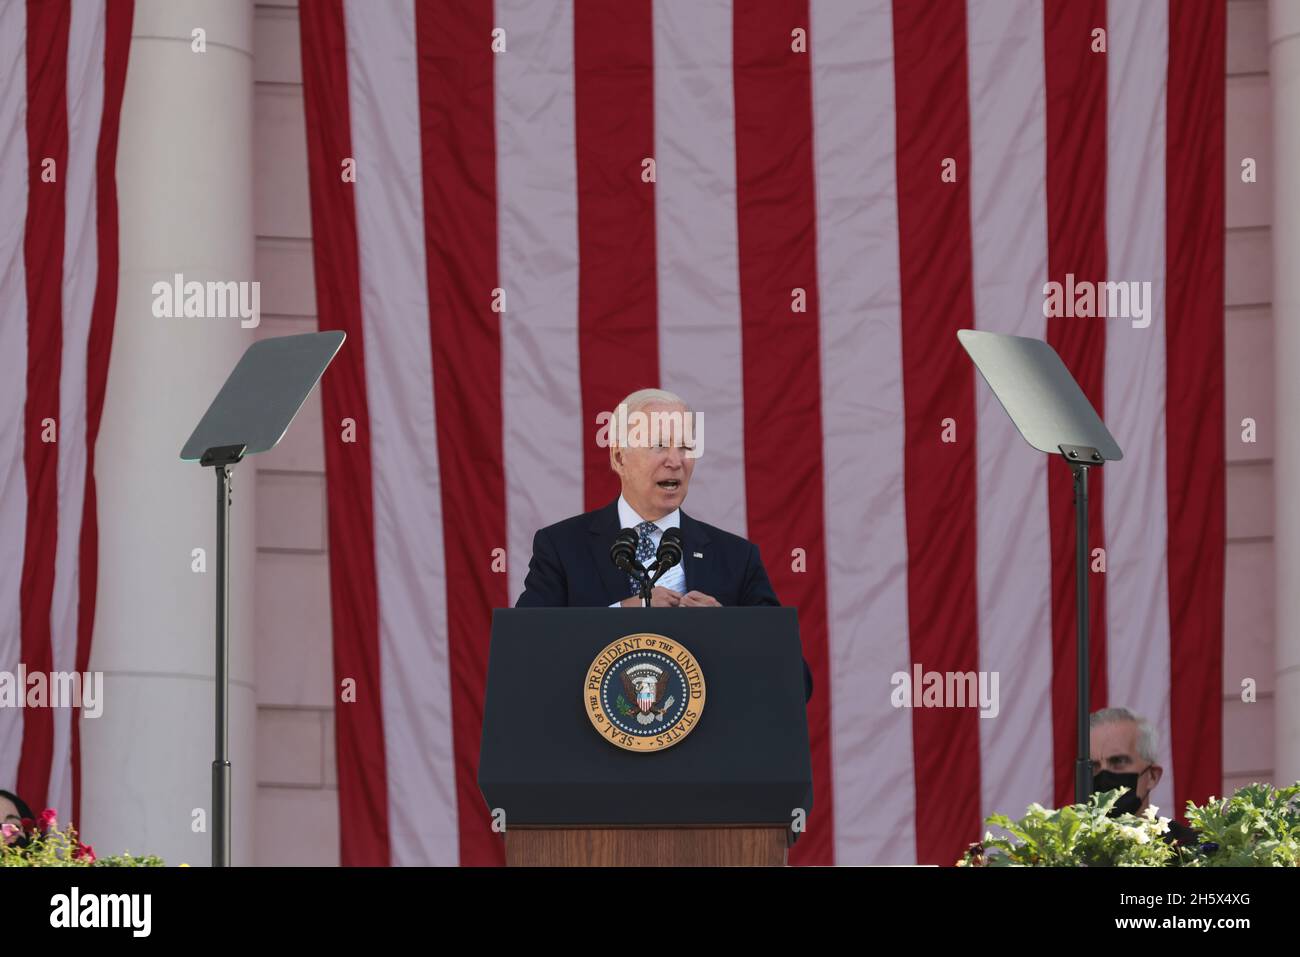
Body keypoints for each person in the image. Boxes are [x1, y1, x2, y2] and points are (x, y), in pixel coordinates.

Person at [516, 387, 812, 700]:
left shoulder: (737, 557)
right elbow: (523, 653)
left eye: (685, 447)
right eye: (658, 445)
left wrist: (729, 629)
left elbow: (796, 683)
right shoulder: (562, 547)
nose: (675, 460)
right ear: (619, 457)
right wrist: (620, 612)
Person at [1089, 707, 1197, 846]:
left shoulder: (1192, 851)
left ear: (1152, 777)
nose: (1103, 776)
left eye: (1118, 761)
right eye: (1092, 766)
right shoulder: (1063, 851)